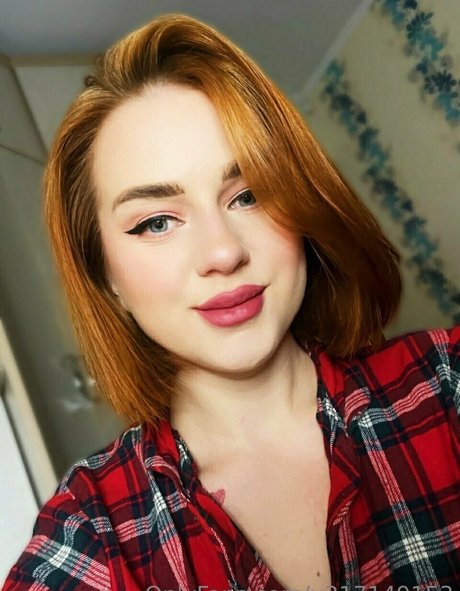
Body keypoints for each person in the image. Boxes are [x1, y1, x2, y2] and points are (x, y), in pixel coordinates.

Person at [2, 13, 459, 591]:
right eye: (157, 222)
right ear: (106, 274)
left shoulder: (445, 384)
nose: (222, 252)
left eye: (249, 195)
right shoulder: (93, 531)